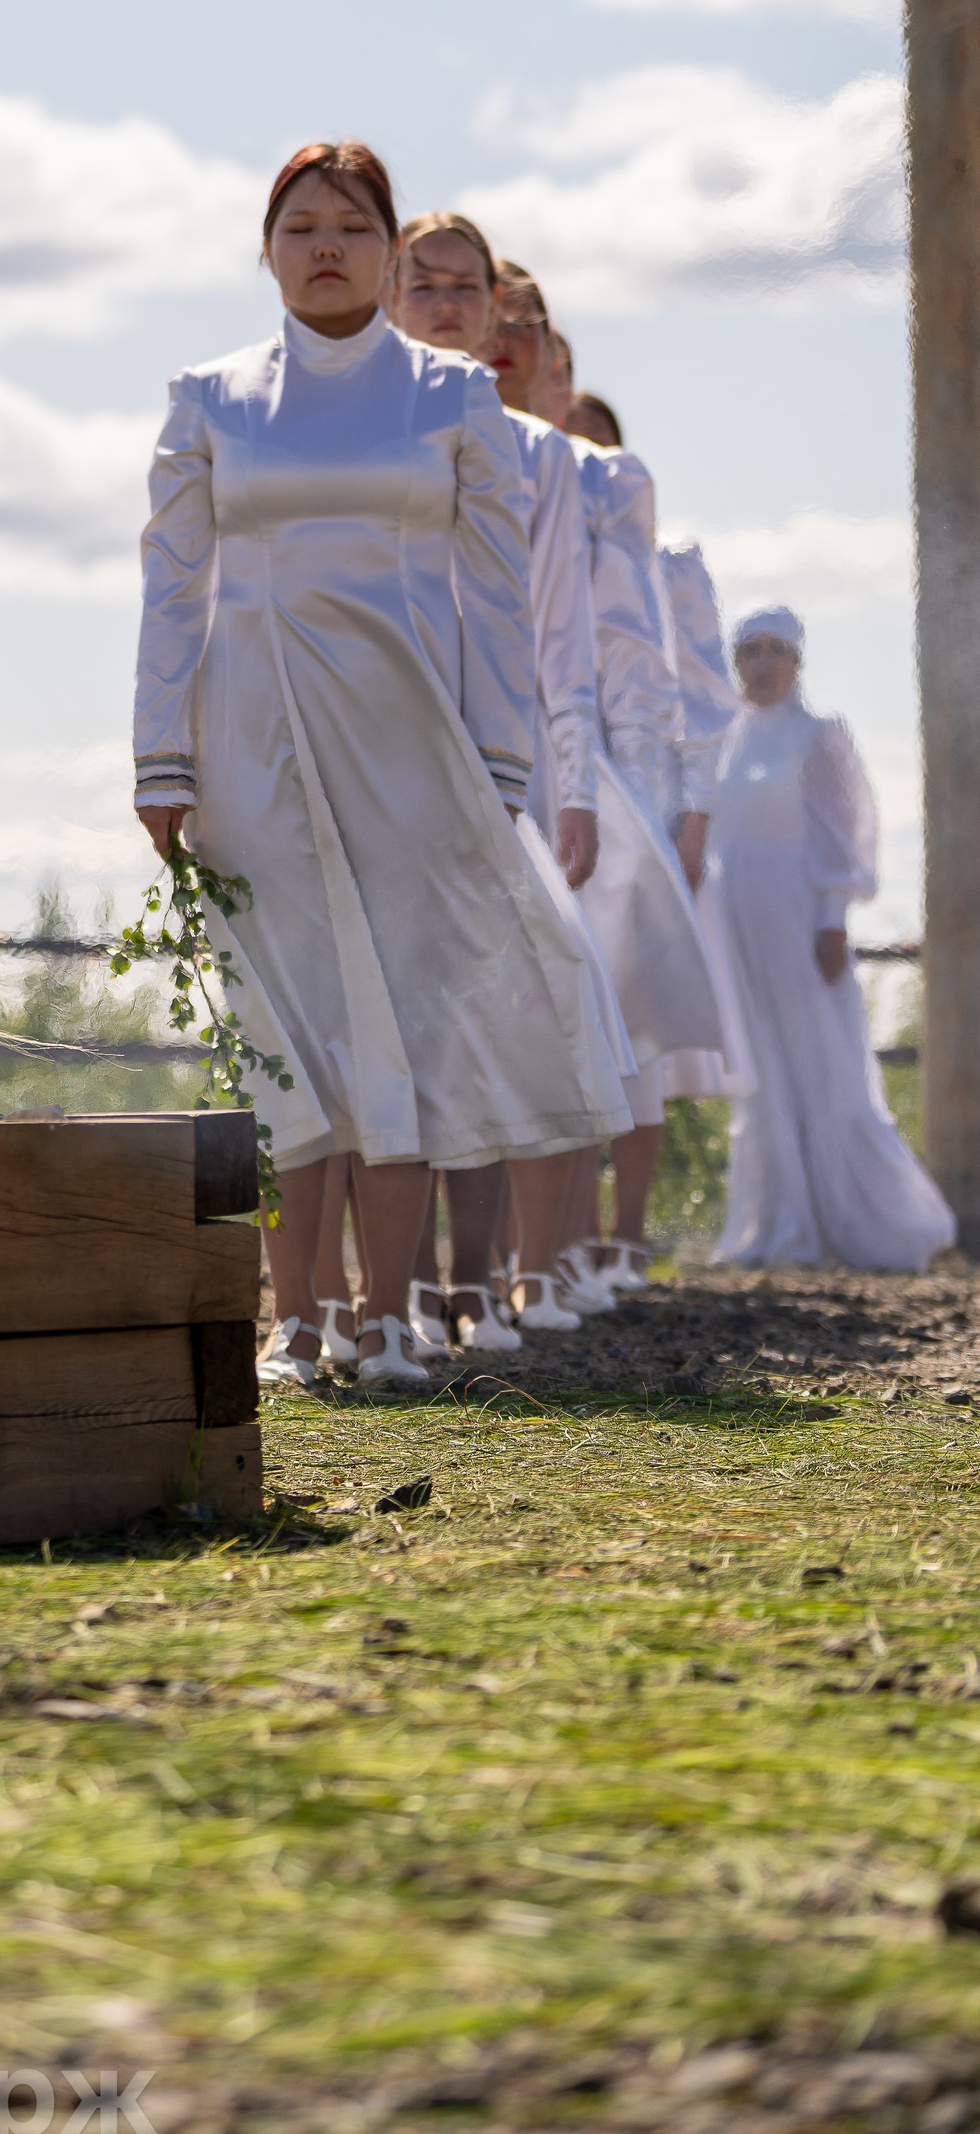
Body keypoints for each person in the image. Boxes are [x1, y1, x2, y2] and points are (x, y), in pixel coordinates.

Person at [134, 143, 629, 1395]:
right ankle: (294, 1318)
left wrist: (501, 760)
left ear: (388, 245)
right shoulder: (209, 395)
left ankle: (391, 1311)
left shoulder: (450, 396)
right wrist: (162, 757)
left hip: (414, 745)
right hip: (251, 741)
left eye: (351, 226)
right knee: (289, 1030)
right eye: (298, 225)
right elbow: (170, 586)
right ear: (264, 248)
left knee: (404, 1023)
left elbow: (497, 592)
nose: (324, 247)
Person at [384, 212, 616, 1353]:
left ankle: (470, 1284)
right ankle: (386, 1286)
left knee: (484, 1016)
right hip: (373, 749)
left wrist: (562, 786)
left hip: (494, 765)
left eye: (463, 290)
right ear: (388, 297)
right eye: (419, 286)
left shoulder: (543, 459)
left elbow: (560, 642)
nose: (442, 305)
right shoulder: (359, 430)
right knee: (382, 1019)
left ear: (493, 310)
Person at [504, 276, 724, 1305]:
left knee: (618, 1008)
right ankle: (542, 1244)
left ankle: (615, 1237)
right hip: (501, 738)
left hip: (591, 758)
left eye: (529, 336)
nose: (513, 350)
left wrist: (652, 789)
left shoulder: (601, 478)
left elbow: (638, 648)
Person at [712, 608, 951, 1271]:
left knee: (818, 1062)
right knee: (763, 1070)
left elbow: (842, 833)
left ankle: (862, 1223)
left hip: (796, 922)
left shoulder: (816, 736)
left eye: (774, 651)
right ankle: (776, 1225)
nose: (761, 664)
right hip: (737, 933)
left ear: (796, 661)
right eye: (749, 651)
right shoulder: (727, 739)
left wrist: (829, 920)